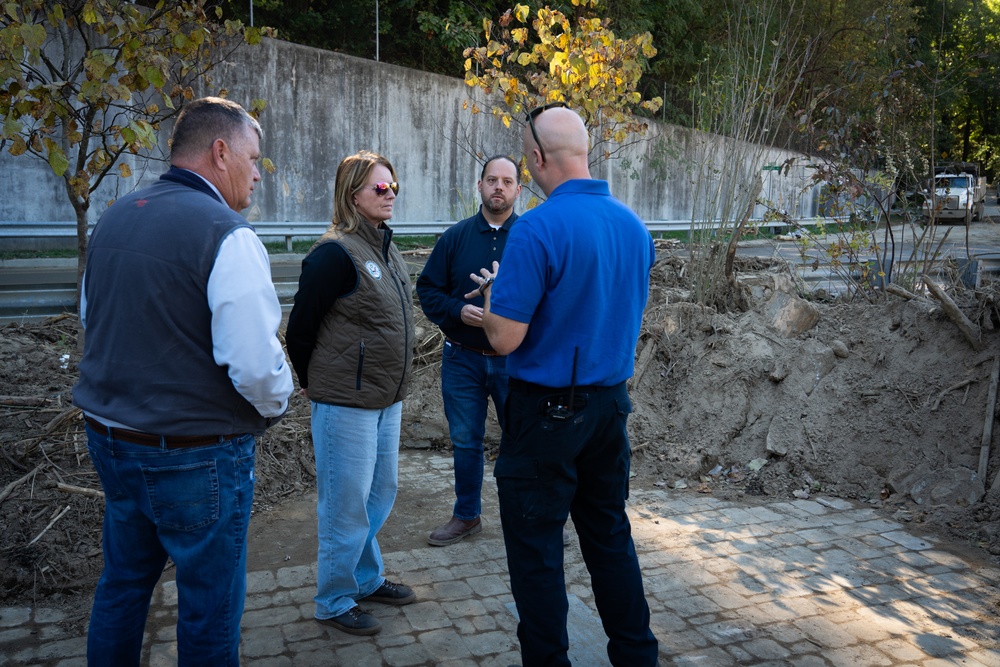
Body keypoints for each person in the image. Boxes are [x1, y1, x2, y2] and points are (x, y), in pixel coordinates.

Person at [72, 96, 294, 667]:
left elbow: (92, 320)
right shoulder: (227, 232)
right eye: (253, 158)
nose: (255, 175)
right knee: (209, 607)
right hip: (196, 456)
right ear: (220, 152)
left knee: (122, 587)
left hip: (112, 441)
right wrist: (277, 403)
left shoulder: (116, 216)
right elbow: (252, 364)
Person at [471, 104, 660, 666]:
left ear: (534, 159)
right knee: (609, 540)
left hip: (546, 415)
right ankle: (636, 655)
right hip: (610, 409)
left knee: (536, 556)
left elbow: (504, 338)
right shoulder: (633, 225)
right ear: (584, 151)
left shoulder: (535, 229)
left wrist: (491, 302)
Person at [285, 150, 416, 636]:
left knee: (379, 492)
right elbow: (299, 331)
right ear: (352, 194)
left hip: (387, 397)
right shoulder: (332, 254)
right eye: (380, 188)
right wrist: (313, 383)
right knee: (345, 503)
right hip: (346, 402)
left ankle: (364, 577)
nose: (390, 195)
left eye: (393, 186)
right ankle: (334, 598)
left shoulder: (384, 246)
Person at [416, 155, 521, 546]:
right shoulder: (455, 237)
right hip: (462, 358)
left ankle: (530, 516)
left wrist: (499, 314)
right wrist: (459, 310)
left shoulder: (530, 236)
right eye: (491, 179)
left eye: (507, 181)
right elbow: (427, 290)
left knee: (522, 440)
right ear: (480, 186)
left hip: (516, 361)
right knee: (465, 442)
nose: (498, 187)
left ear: (517, 190)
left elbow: (550, 297)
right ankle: (467, 516)